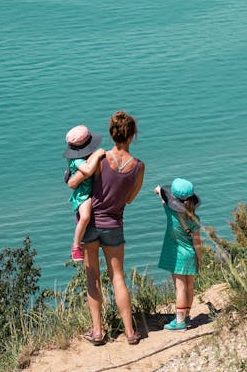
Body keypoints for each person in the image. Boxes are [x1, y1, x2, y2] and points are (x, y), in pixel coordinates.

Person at [67, 110, 145, 346]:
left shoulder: (100, 159)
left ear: (111, 134)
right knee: (118, 277)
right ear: (132, 135)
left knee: (93, 278)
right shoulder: (138, 167)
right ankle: (130, 332)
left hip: (90, 224)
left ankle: (98, 332)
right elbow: (130, 198)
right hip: (114, 225)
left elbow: (75, 181)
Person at [154, 178, 202, 330]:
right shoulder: (195, 219)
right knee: (189, 286)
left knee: (180, 288)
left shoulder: (170, 212)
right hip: (190, 254)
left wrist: (159, 190)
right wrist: (199, 259)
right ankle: (186, 315)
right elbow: (197, 242)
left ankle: (180, 321)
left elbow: (163, 196)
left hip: (178, 256)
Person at [63, 124, 106, 262]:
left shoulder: (82, 156)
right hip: (83, 194)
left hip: (88, 190)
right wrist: (98, 154)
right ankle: (76, 246)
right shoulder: (77, 160)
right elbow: (87, 171)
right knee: (85, 217)